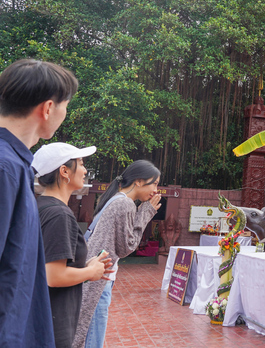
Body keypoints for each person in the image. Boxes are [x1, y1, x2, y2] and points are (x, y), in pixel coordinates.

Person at [0, 59, 78, 347]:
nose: (64, 114)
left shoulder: (16, 166)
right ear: (48, 108)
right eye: (65, 106)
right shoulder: (5, 168)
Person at [73, 160, 162, 348]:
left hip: (95, 273)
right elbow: (127, 247)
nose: (156, 190)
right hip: (100, 278)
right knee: (92, 337)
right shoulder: (125, 204)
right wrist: (146, 212)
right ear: (138, 181)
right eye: (154, 183)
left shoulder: (116, 199)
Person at [33, 143, 112, 348]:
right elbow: (53, 275)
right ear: (64, 171)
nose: (85, 170)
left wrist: (84, 266)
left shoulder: (41, 206)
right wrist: (90, 272)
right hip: (53, 322)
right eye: (81, 163)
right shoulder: (59, 214)